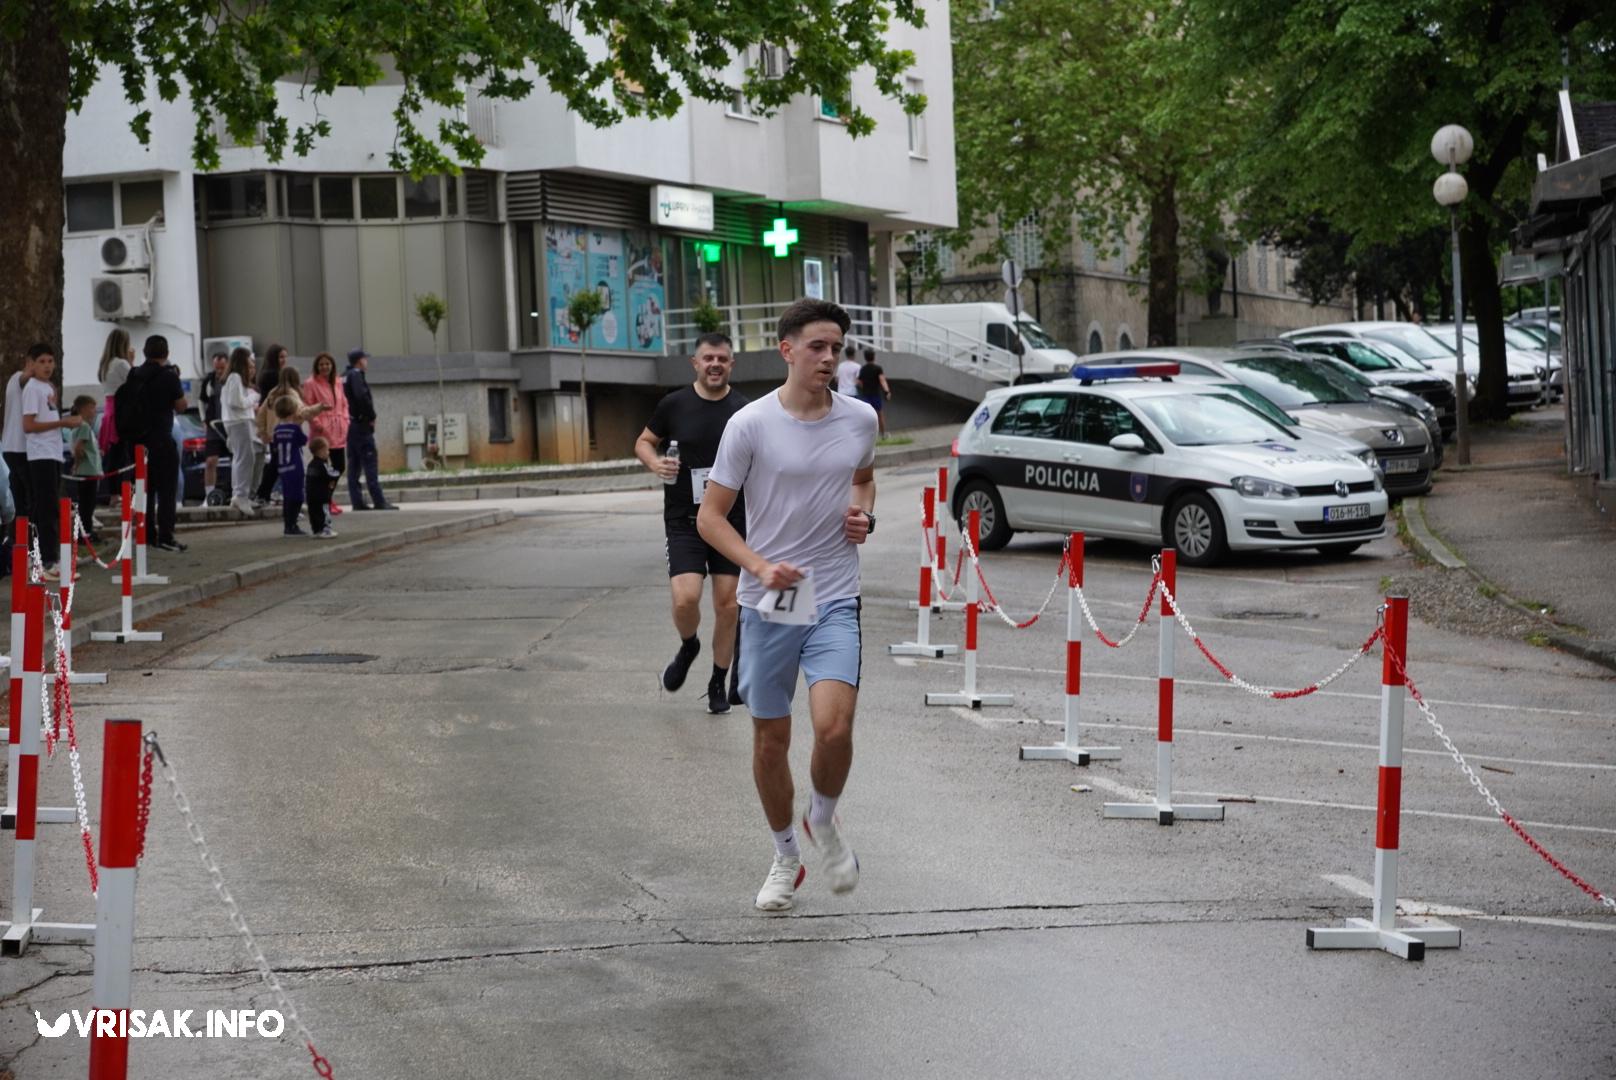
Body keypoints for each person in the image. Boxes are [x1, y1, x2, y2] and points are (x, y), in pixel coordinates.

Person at [697, 298, 877, 913]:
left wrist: (864, 514)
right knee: (772, 739)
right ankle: (784, 856)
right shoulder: (749, 424)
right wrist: (757, 565)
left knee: (835, 726)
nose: (830, 358)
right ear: (787, 350)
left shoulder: (860, 420)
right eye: (818, 348)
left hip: (832, 591)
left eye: (837, 348)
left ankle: (821, 821)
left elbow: (864, 476)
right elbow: (709, 517)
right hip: (771, 596)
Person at [633, 332, 749, 714]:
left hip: (731, 520)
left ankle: (718, 679)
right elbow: (644, 442)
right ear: (695, 364)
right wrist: (655, 463)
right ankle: (689, 644)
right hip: (684, 518)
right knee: (685, 599)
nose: (715, 364)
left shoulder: (744, 411)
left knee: (728, 604)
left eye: (722, 359)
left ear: (731, 364)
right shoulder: (674, 404)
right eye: (708, 358)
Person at [20, 345, 84, 579]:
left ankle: (44, 557)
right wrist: (62, 424)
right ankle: (47, 560)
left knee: (49, 507)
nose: (47, 366)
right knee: (46, 508)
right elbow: (28, 425)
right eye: (42, 361)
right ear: (32, 364)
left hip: (53, 453)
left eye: (50, 361)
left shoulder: (48, 388)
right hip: (40, 454)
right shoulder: (33, 389)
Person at [128, 334, 188, 552]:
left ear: (144, 352)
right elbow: (181, 406)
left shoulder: (134, 374)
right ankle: (166, 534)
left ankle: (146, 533)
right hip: (161, 439)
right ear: (166, 354)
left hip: (137, 442)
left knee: (144, 490)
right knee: (166, 489)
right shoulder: (169, 376)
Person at [341, 348, 397, 510]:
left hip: (349, 425)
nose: (367, 362)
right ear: (360, 360)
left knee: (354, 465)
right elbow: (362, 397)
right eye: (365, 359)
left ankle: (357, 501)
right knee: (370, 462)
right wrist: (371, 416)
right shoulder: (356, 375)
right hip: (361, 424)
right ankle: (379, 500)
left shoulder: (343, 376)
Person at [302, 352, 350, 519]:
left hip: (338, 428)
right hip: (322, 429)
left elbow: (344, 402)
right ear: (317, 366)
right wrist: (317, 424)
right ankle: (323, 500)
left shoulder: (337, 381)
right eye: (321, 364)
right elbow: (307, 406)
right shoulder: (310, 383)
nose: (324, 367)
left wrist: (345, 419)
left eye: (327, 364)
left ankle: (327, 498)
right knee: (322, 467)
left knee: (339, 465)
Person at [1, 346, 41, 520]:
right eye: (40, 362)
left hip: (14, 447)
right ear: (29, 362)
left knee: (23, 497)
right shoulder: (17, 379)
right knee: (26, 497)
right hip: (19, 448)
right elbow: (24, 378)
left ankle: (21, 538)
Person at [96, 328, 135, 491]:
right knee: (124, 453)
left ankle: (113, 492)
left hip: (109, 410)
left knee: (114, 453)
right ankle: (122, 491)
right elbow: (134, 381)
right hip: (122, 410)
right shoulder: (121, 363)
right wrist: (131, 361)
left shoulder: (105, 364)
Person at [221, 348, 257, 516]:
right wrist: (253, 397)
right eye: (249, 360)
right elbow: (236, 402)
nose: (252, 364)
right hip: (239, 422)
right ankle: (241, 495)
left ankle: (239, 494)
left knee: (240, 457)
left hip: (236, 421)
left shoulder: (233, 379)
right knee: (246, 458)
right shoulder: (235, 377)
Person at [251, 344, 289, 504]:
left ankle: (265, 493)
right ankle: (264, 492)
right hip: (274, 422)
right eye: (281, 357)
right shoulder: (273, 375)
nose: (284, 360)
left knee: (277, 459)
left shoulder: (270, 373)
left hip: (274, 422)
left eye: (285, 357)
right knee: (277, 460)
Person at [270, 396, 308, 536]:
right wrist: (299, 425)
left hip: (282, 466)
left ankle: (287, 524)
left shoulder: (277, 430)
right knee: (297, 496)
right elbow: (303, 441)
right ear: (293, 412)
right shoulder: (294, 428)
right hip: (295, 465)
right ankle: (293, 524)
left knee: (287, 496)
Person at [68, 395, 102, 543]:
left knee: (85, 504)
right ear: (83, 409)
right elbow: (79, 447)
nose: (94, 411)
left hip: (87, 471)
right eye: (92, 408)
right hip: (88, 471)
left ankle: (85, 531)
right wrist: (78, 462)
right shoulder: (84, 426)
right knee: (88, 505)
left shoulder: (79, 426)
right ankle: (85, 533)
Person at [197, 349, 229, 503]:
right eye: (217, 368)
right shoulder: (209, 380)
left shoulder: (233, 379)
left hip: (230, 424)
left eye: (222, 368)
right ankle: (209, 495)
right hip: (213, 425)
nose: (219, 371)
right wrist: (203, 420)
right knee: (210, 461)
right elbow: (201, 400)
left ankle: (239, 492)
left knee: (237, 459)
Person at [305, 437, 341, 538]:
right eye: (327, 450)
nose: (328, 453)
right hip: (322, 495)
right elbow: (331, 474)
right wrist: (336, 473)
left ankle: (316, 529)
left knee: (313, 513)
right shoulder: (322, 465)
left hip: (311, 495)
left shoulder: (310, 465)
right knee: (324, 512)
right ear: (321, 451)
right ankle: (325, 529)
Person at [855, 346, 892, 437]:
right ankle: (883, 435)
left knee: (867, 416)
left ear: (865, 358)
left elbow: (858, 382)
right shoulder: (878, 368)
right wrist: (887, 391)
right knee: (879, 415)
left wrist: (864, 386)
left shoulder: (863, 369)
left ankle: (867, 436)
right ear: (874, 357)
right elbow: (882, 380)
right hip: (875, 395)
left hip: (866, 395)